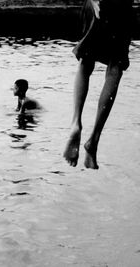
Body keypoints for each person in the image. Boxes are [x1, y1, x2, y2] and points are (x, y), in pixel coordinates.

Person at [63, 0, 134, 169]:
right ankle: (94, 139)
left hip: (96, 6)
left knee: (85, 62)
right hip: (122, 9)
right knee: (114, 69)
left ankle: (75, 122)